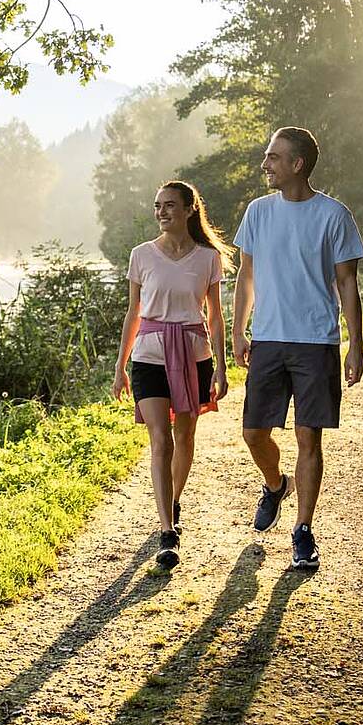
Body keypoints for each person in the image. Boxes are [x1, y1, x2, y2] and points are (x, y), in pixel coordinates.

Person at [232, 127, 363, 570]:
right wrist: (238, 330)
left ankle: (303, 530)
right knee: (253, 433)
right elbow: (246, 276)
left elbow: (347, 283)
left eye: (273, 157)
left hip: (316, 341)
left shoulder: (334, 215)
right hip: (268, 339)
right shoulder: (258, 212)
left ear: (297, 164)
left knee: (309, 437)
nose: (265, 164)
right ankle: (275, 485)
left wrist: (355, 345)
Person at [113, 181, 232, 569]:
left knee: (184, 435)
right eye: (157, 206)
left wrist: (221, 366)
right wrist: (120, 366)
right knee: (160, 440)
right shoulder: (141, 255)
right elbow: (133, 313)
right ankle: (167, 531)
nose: (161, 212)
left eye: (168, 205)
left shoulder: (208, 258)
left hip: (194, 356)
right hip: (149, 357)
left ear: (189, 209)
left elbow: (215, 317)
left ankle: (174, 500)